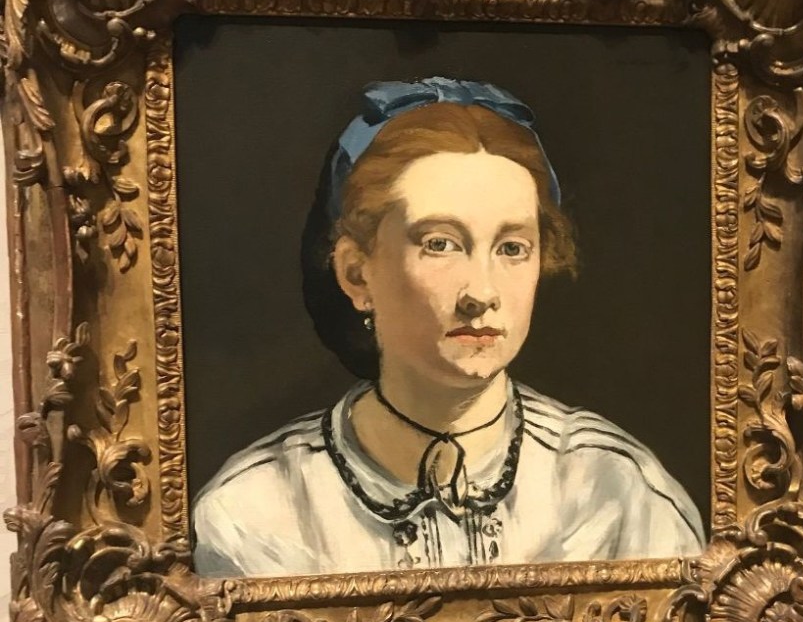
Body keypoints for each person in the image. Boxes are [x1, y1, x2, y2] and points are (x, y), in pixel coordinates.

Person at [193, 77, 705, 577]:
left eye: (512, 248)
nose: (480, 293)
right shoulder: (256, 511)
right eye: (439, 244)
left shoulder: (618, 492)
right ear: (357, 273)